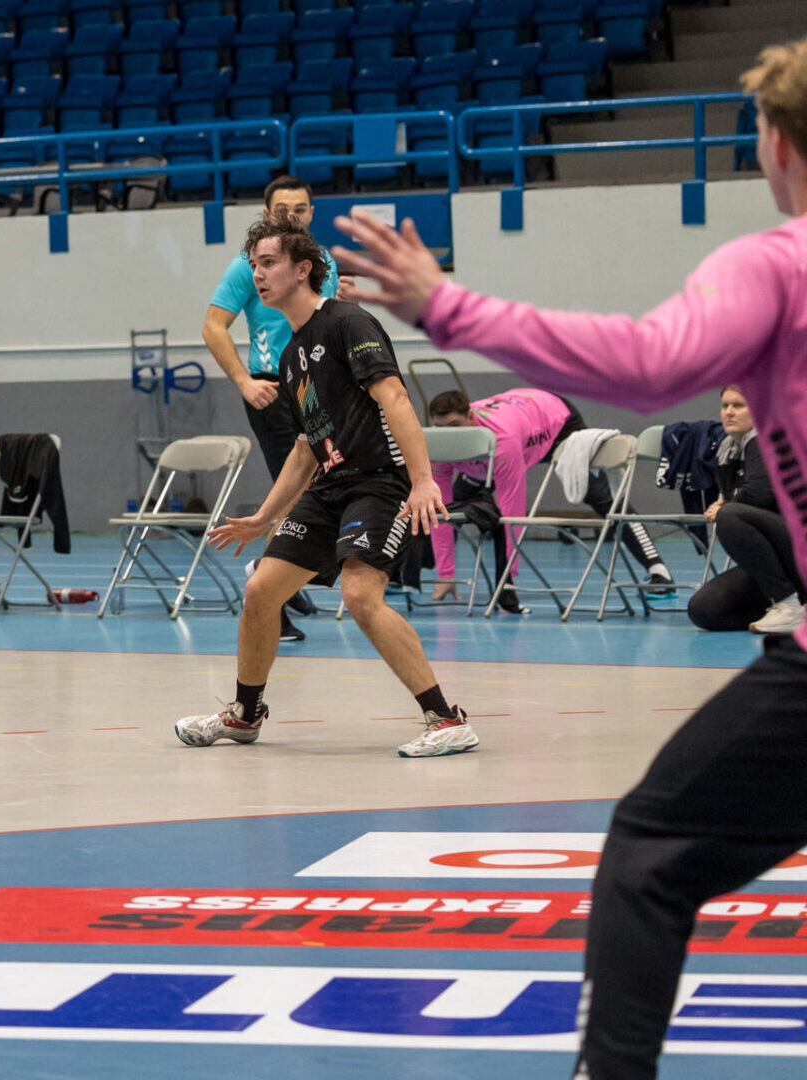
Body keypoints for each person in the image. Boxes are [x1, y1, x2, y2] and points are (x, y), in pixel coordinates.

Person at [331, 36, 807, 1078]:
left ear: (775, 145)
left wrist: (447, 305)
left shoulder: (778, 264)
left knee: (649, 850)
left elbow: (647, 365)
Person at [176, 218, 477, 759]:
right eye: (254, 266)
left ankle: (446, 719)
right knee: (261, 590)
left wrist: (422, 480)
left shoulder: (348, 323)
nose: (257, 275)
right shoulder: (290, 357)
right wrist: (264, 517)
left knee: (360, 594)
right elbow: (303, 449)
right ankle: (245, 715)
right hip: (329, 485)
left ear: (303, 269)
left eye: (268, 264)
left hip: (379, 483)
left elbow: (395, 398)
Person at [202, 175, 346, 643]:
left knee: (320, 489)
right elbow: (213, 326)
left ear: (312, 213)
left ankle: (283, 576)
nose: (292, 217)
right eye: (283, 211)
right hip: (273, 389)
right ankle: (269, 593)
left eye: (300, 210)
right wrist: (245, 382)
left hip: (318, 388)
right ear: (267, 215)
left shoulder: (323, 262)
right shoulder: (247, 267)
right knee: (295, 493)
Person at [426, 387, 675, 611]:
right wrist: (446, 574)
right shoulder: (440, 442)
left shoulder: (503, 441)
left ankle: (658, 570)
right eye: (441, 428)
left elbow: (512, 513)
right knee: (454, 505)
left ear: (470, 417)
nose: (448, 435)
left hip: (556, 423)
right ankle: (416, 572)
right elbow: (440, 508)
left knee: (601, 496)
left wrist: (507, 582)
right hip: (502, 438)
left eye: (455, 426)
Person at [687, 386, 803, 633]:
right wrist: (726, 502)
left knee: (729, 516)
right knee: (705, 610)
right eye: (725, 406)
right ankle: (796, 608)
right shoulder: (728, 449)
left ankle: (788, 604)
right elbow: (741, 495)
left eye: (738, 405)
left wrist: (726, 506)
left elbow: (761, 493)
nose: (729, 412)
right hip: (780, 560)